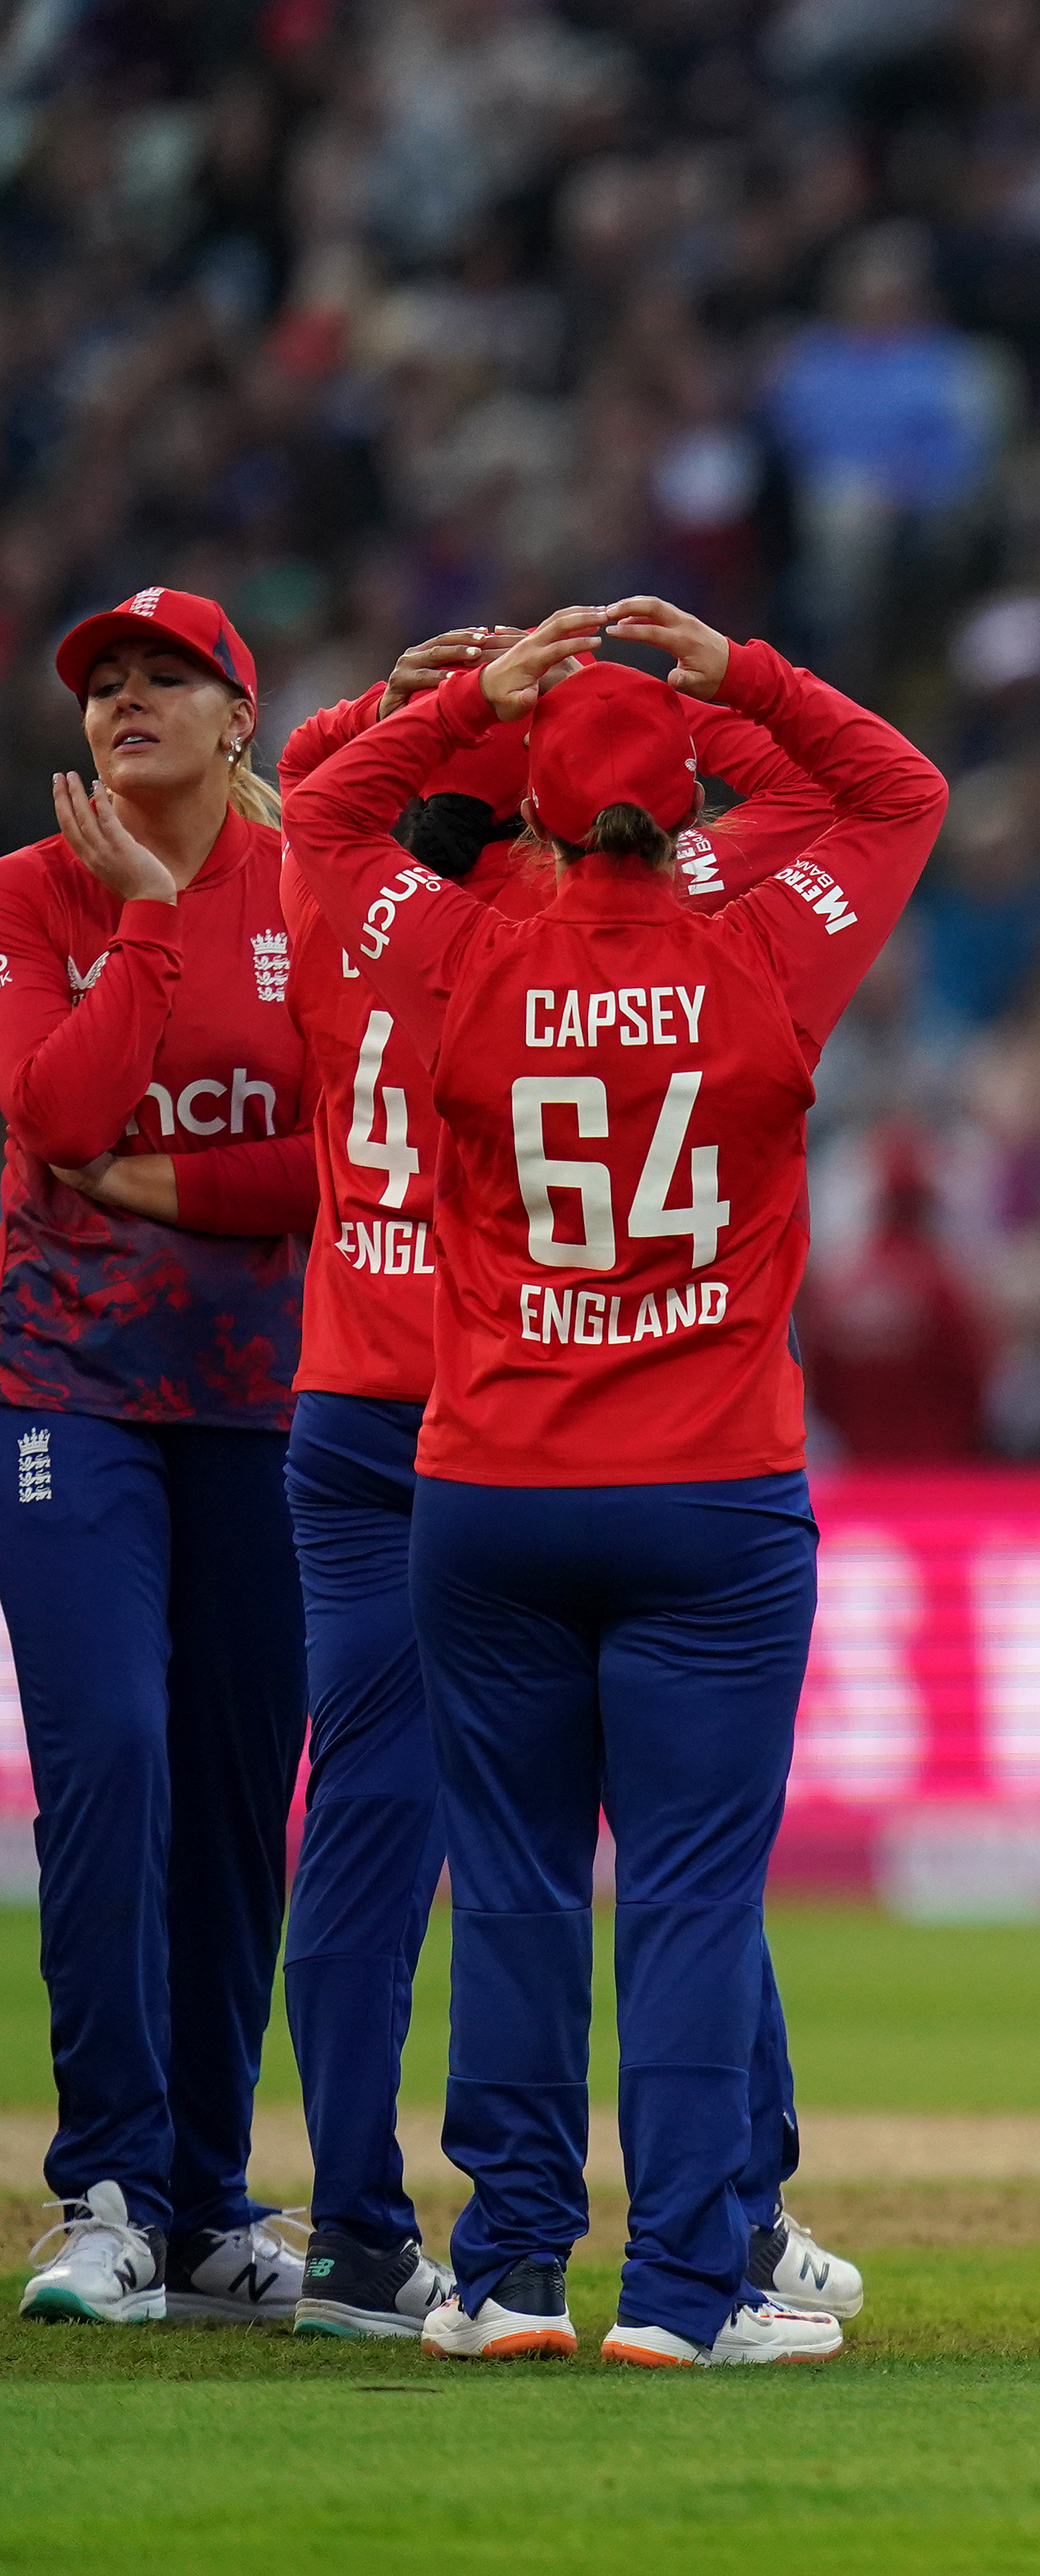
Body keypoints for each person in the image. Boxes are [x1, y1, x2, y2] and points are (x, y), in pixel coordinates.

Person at [282, 597, 941, 2368]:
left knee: (510, 1884)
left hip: (491, 1481)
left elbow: (324, 814)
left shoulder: (462, 951)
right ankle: (686, 2288)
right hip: (710, 1489)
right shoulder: (763, 947)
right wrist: (743, 681)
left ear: (543, 811)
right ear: (689, 807)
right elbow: (900, 792)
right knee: (691, 1896)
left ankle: (506, 2273)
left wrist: (463, 704)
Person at [5, 589, 316, 2328]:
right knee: (113, 1748)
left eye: (163, 677)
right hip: (62, 1393)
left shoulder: (310, 894)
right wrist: (142, 921)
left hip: (267, 1402)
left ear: (238, 716)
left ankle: (205, 2206)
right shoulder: (29, 895)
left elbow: (338, 1158)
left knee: (236, 1797)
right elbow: (52, 1116)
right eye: (103, 683)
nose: (124, 700)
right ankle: (105, 2194)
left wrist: (152, 1178)